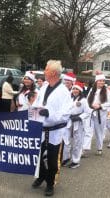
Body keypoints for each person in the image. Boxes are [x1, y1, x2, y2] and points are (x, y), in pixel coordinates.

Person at [31, 60, 72, 196]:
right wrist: (34, 112)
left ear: (53, 73)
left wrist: (49, 113)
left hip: (55, 131)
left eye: (46, 69)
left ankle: (50, 183)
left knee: (53, 160)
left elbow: (66, 113)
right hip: (41, 128)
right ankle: (42, 175)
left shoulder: (63, 91)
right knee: (37, 157)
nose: (44, 71)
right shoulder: (44, 87)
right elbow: (38, 103)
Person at [62, 81, 90, 169]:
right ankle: (66, 158)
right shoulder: (70, 99)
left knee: (77, 142)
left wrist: (79, 117)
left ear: (80, 90)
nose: (74, 90)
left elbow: (88, 112)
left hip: (78, 122)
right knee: (66, 141)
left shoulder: (83, 100)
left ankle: (75, 161)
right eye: (73, 89)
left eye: (76, 89)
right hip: (69, 121)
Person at [87, 72, 110, 155]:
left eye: (103, 81)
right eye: (100, 81)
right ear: (96, 82)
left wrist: (100, 106)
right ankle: (85, 148)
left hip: (101, 114)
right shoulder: (92, 90)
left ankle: (99, 148)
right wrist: (91, 105)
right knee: (88, 132)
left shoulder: (106, 91)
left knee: (99, 131)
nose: (102, 82)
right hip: (91, 113)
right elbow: (87, 100)